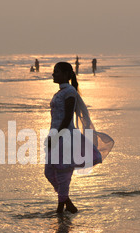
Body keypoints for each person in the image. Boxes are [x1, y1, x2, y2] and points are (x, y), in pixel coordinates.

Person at [45, 62, 114, 214]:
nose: (53, 74)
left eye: (56, 72)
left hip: (65, 136)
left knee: (63, 173)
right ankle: (67, 203)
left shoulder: (69, 92)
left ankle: (60, 209)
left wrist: (57, 136)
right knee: (49, 171)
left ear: (65, 74)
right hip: (55, 134)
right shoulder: (60, 92)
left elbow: (68, 116)